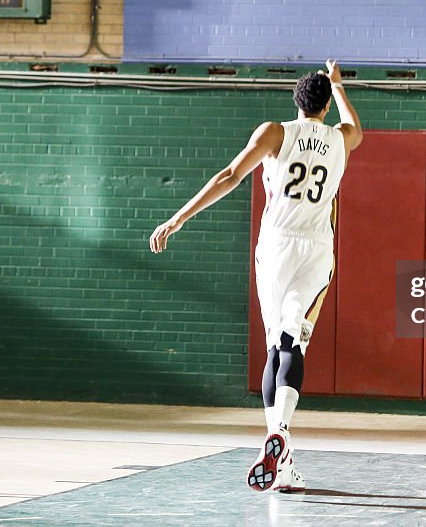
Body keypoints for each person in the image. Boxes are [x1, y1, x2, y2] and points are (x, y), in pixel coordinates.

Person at [149, 59, 362, 492]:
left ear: (296, 101)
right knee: (294, 341)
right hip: (317, 250)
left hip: (277, 247)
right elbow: (353, 124)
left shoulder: (275, 132)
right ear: (325, 107)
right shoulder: (342, 139)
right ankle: (281, 442)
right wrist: (339, 86)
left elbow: (229, 176)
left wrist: (179, 218)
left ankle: (278, 443)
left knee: (274, 344)